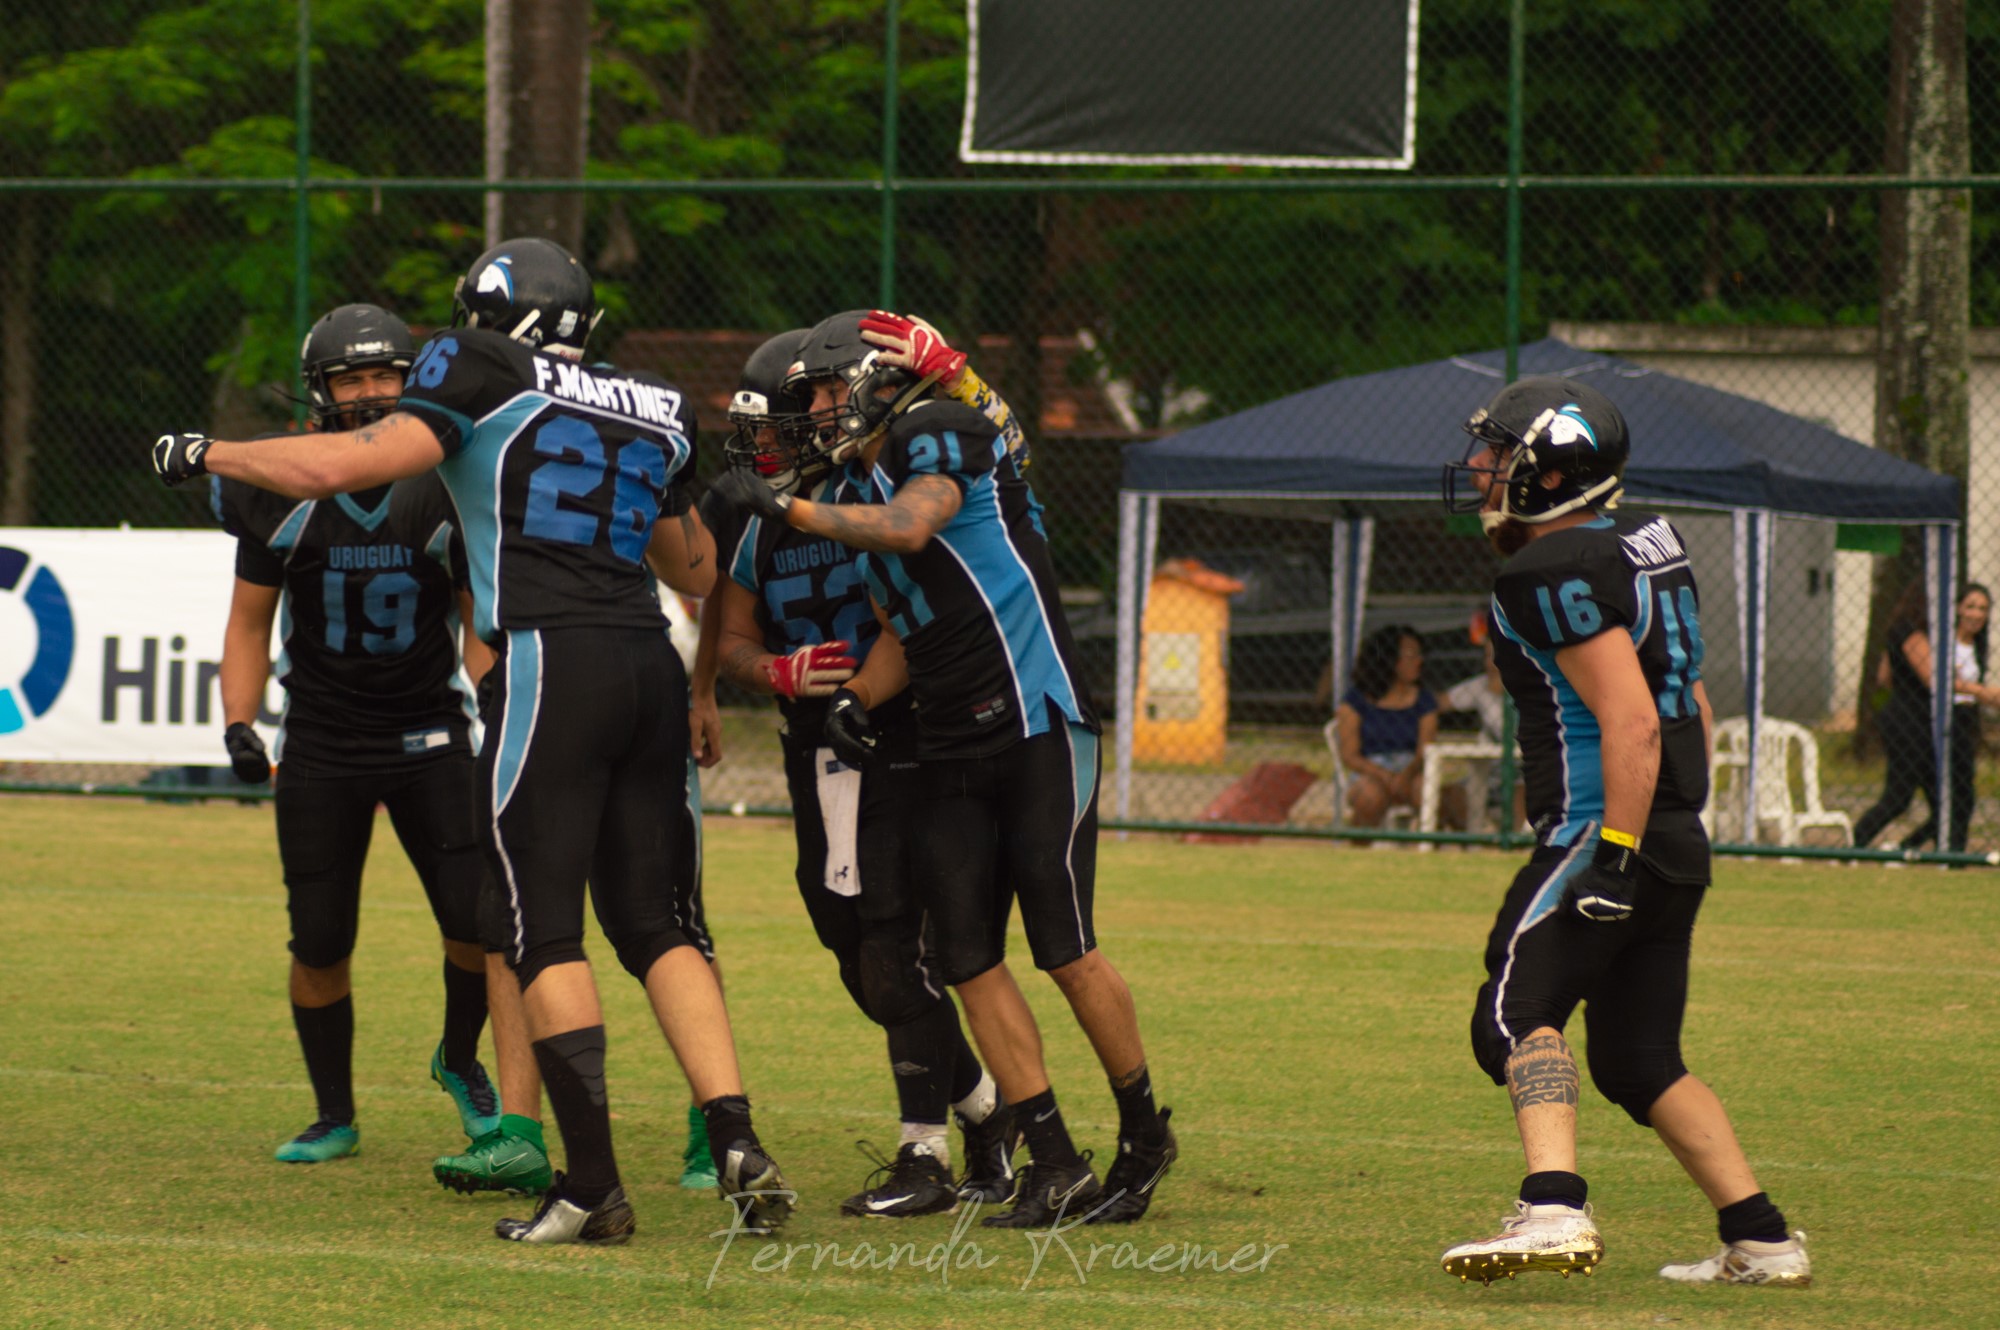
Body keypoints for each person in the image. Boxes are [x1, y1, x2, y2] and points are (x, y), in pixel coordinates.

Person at [155, 237, 790, 1245]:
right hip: (645, 662)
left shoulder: (477, 366)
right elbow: (698, 572)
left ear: (495, 318)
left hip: (552, 656)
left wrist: (209, 452)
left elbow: (344, 460)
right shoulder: (654, 401)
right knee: (656, 921)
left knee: (540, 929)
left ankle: (590, 1186)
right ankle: (736, 1137)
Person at [712, 309, 1177, 1230]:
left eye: (828, 391)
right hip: (954, 739)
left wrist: (789, 506)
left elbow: (914, 527)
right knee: (964, 956)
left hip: (1037, 719)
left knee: (1065, 948)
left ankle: (1142, 1131)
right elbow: (897, 627)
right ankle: (1050, 1156)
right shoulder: (856, 475)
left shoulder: (941, 430)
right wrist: (857, 700)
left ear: (881, 381)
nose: (817, 411)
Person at [1434, 374, 1810, 1287]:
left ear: (1549, 474)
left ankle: (1554, 1206)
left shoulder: (1544, 571)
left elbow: (1633, 719)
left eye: (1501, 452)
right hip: (1671, 832)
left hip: (1603, 832)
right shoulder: (1642, 542)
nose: (1482, 465)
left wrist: (1614, 854)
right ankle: (1763, 1239)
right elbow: (1692, 701)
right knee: (1639, 1060)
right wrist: (1668, 830)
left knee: (1513, 1014)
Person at [690, 322, 1020, 1219]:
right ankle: (987, 1111)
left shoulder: (868, 488)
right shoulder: (762, 521)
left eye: (776, 426)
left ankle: (929, 1152)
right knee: (851, 951)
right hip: (814, 746)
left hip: (893, 738)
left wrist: (863, 691)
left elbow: (911, 610)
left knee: (888, 945)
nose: (764, 448)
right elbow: (733, 636)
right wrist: (769, 674)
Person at [211, 302, 505, 1166]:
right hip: (324, 741)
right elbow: (246, 625)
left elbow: (477, 621)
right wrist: (237, 720)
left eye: (388, 374)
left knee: (474, 922)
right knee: (321, 938)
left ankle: (459, 1060)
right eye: (354, 376)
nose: (374, 391)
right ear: (321, 392)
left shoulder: (442, 482)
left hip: (428, 734)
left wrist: (494, 690)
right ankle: (333, 1112)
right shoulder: (280, 494)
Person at [1854, 582, 1996, 854]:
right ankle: (1855, 844)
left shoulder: (1922, 634)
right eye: (1965, 605)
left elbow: (1885, 677)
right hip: (1914, 723)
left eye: (1982, 608)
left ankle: (1909, 850)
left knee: (1948, 802)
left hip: (1928, 723)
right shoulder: (1913, 633)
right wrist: (1983, 693)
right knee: (1901, 796)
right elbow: (1935, 680)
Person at [1334, 623, 1459, 829]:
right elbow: (1350, 755)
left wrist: (1405, 775)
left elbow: (1425, 750)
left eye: (1420, 655)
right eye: (1411, 656)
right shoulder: (1356, 701)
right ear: (1388, 659)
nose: (1419, 662)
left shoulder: (1424, 701)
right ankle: (1358, 851)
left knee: (1426, 791)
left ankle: (1430, 846)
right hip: (1370, 771)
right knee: (1371, 795)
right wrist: (1385, 775)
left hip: (1411, 769)